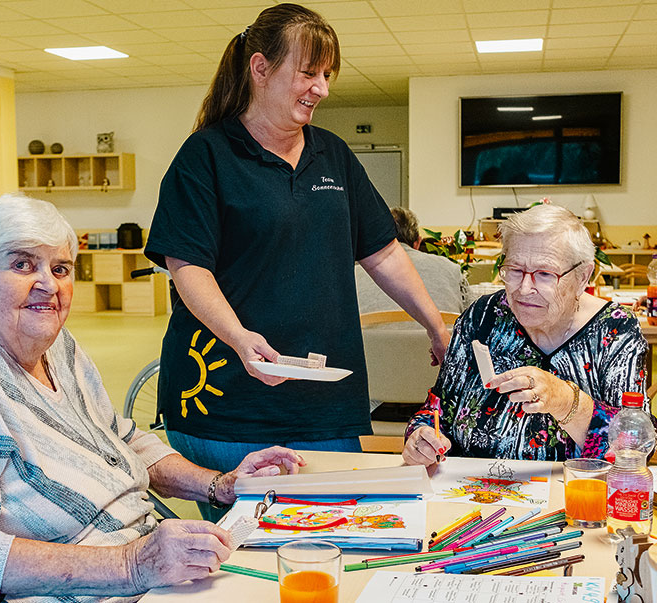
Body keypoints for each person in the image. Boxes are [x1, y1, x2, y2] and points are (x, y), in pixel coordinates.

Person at [0, 195, 304, 603]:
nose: (48, 285)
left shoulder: (56, 345)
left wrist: (217, 485)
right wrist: (133, 565)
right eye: (22, 264)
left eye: (60, 268)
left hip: (138, 569)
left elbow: (121, 440)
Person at [144, 3, 449, 520]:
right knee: (248, 553)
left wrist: (435, 325)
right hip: (226, 402)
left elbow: (383, 251)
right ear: (260, 68)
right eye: (309, 72)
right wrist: (241, 339)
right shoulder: (207, 156)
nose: (322, 88)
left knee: (337, 532)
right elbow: (187, 267)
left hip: (325, 401)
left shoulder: (331, 155)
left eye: (326, 75)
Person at [403, 203, 651, 466]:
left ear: (582, 276)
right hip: (472, 493)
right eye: (515, 270)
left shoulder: (615, 330)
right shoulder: (482, 317)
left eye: (544, 274)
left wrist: (567, 403)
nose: (524, 288)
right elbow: (437, 409)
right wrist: (420, 437)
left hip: (573, 497)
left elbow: (637, 445)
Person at [355, 207, 468, 315]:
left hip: (371, 335)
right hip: (437, 335)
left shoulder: (354, 275)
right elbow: (471, 315)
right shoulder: (451, 268)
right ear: (418, 242)